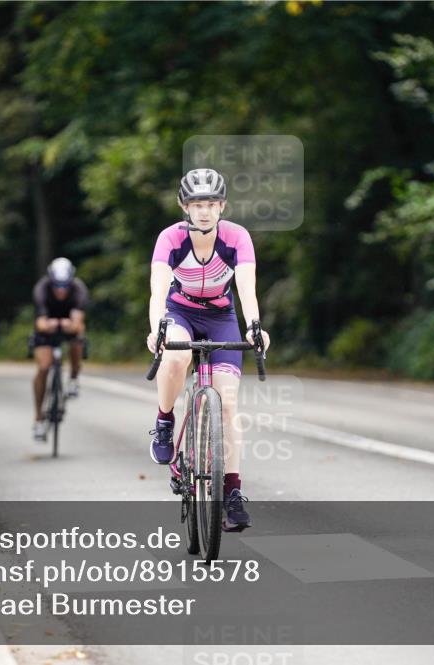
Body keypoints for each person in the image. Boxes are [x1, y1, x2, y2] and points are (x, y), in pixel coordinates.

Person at [147, 168, 271, 532]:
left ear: (222, 206)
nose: (204, 211)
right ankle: (165, 421)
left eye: (211, 204)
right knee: (176, 357)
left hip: (221, 315)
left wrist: (254, 327)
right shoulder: (170, 238)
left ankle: (231, 492)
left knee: (228, 403)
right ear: (184, 207)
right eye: (197, 204)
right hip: (179, 310)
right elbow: (158, 289)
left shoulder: (237, 237)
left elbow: (247, 289)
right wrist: (157, 329)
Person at [32, 257, 88, 441]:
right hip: (47, 330)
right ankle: (39, 418)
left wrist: (66, 324)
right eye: (57, 285)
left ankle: (73, 377)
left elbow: (77, 324)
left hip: (68, 326)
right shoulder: (41, 289)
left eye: (65, 285)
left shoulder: (79, 290)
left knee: (78, 336)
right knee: (44, 367)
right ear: (51, 281)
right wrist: (51, 324)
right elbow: (40, 323)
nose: (61, 290)